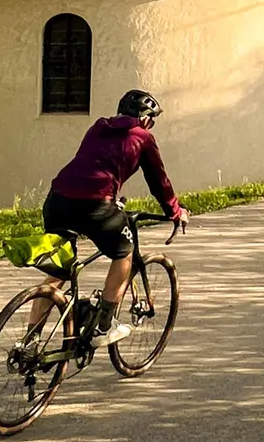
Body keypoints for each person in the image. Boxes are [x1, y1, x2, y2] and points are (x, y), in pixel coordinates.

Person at [40, 90, 189, 346]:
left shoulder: (97, 128)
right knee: (124, 254)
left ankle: (29, 341)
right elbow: (159, 181)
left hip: (57, 200)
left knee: (60, 269)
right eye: (151, 120)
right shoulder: (143, 138)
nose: (151, 125)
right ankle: (103, 327)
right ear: (144, 118)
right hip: (95, 205)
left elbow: (90, 167)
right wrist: (175, 211)